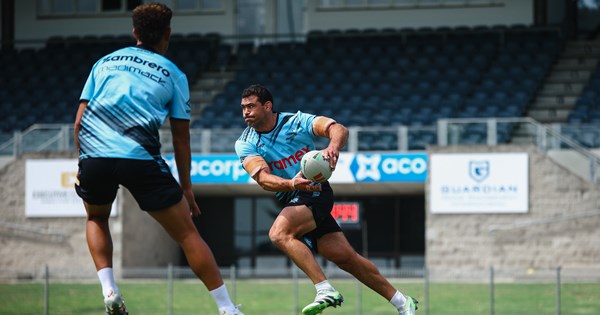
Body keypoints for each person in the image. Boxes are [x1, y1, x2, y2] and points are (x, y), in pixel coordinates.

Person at [73, 3, 243, 315]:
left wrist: (82, 161)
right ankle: (227, 308)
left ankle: (109, 290)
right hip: (139, 158)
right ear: (167, 33)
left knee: (96, 218)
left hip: (94, 154)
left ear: (134, 32)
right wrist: (187, 189)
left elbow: (80, 120)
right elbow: (181, 138)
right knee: (187, 233)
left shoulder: (104, 63)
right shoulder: (174, 74)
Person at [234, 84, 418, 315]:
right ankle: (403, 302)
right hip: (293, 195)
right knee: (347, 259)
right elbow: (263, 179)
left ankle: (324, 289)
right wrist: (292, 183)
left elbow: (337, 128)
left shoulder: (296, 122)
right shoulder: (245, 142)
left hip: (314, 190)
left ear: (267, 106)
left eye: (251, 106)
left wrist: (332, 146)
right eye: (243, 108)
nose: (245, 112)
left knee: (279, 234)